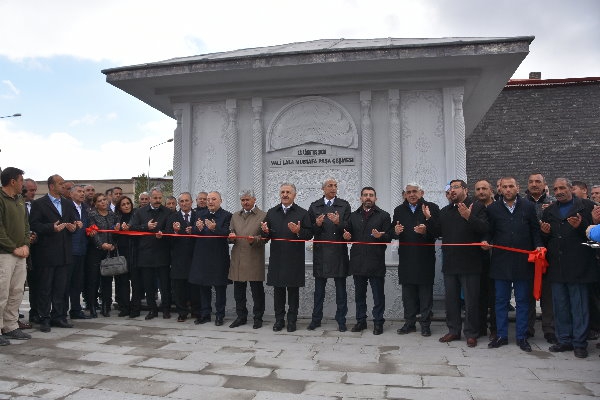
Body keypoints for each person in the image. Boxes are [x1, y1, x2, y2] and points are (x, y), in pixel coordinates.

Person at [482, 177, 543, 352]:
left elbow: (535, 230)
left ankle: (522, 337)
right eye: (505, 187)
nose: (508, 189)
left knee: (523, 301)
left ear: (517, 188)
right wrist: (485, 241)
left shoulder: (528, 207)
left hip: (523, 262)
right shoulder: (493, 209)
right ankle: (501, 335)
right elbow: (489, 231)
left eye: (511, 186)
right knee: (501, 301)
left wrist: (539, 245)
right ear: (500, 189)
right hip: (501, 262)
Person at [541, 178, 598, 358]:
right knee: (560, 306)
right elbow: (545, 240)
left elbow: (594, 235)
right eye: (556, 189)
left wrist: (581, 226)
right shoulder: (549, 211)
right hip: (557, 266)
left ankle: (579, 343)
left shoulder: (587, 207)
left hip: (579, 266)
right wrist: (544, 233)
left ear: (571, 188)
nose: (559, 192)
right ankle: (564, 340)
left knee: (579, 306)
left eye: (562, 188)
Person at [429, 179, 488, 347]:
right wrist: (428, 220)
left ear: (465, 190)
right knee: (451, 301)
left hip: (471, 263)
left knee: (471, 301)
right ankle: (454, 330)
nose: (452, 190)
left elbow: (485, 229)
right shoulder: (445, 211)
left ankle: (471, 333)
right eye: (450, 188)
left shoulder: (477, 207)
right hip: (450, 262)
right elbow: (437, 231)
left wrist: (469, 217)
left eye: (456, 187)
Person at [29, 174, 79, 332]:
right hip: (46, 254)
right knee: (45, 287)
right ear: (51, 186)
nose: (63, 185)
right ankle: (44, 317)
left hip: (64, 253)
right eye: (60, 183)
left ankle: (59, 316)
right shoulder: (39, 204)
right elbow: (34, 225)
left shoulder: (67, 203)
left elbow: (73, 222)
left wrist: (74, 227)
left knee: (60, 288)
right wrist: (51, 227)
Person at [261, 183, 312, 332]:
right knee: (278, 292)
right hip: (277, 259)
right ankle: (279, 320)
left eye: (288, 192)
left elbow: (309, 234)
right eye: (282, 192)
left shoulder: (302, 213)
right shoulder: (272, 212)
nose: (285, 194)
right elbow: (265, 236)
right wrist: (265, 231)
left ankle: (292, 321)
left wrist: (298, 231)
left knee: (293, 292)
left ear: (294, 195)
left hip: (294, 259)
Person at [392, 183, 440, 337]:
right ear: (405, 194)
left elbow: (439, 231)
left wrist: (427, 228)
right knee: (408, 295)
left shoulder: (431, 207)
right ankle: (409, 323)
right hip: (406, 258)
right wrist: (395, 231)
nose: (412, 194)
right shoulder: (399, 210)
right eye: (408, 192)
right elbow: (392, 231)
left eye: (414, 191)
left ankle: (425, 325)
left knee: (425, 294)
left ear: (421, 193)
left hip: (425, 258)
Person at [343, 187, 391, 335]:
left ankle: (378, 322)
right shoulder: (353, 216)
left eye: (371, 195)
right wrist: (346, 237)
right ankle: (361, 321)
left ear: (376, 198)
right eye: (365, 195)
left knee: (378, 296)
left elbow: (389, 237)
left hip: (376, 261)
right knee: (359, 296)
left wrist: (380, 236)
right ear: (361, 198)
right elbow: (348, 234)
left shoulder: (384, 215)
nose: (368, 197)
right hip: (358, 262)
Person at [307, 178, 351, 332]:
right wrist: (317, 225)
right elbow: (309, 231)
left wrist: (339, 223)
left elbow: (349, 227)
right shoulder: (314, 206)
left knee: (341, 291)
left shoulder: (344, 205)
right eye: (330, 186)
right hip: (321, 254)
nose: (333, 188)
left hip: (339, 253)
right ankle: (316, 319)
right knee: (319, 291)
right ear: (323, 189)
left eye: (335, 186)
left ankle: (341, 321)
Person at [189, 191, 232, 326]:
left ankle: (220, 315)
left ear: (220, 201)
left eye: (213, 199)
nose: (210, 202)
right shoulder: (200, 214)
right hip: (202, 257)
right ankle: (205, 314)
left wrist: (214, 228)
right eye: (208, 199)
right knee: (203, 287)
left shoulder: (227, 215)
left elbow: (227, 233)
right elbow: (193, 232)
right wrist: (198, 229)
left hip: (219, 257)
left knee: (220, 288)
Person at [129, 188, 172, 320]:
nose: (158, 200)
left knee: (165, 284)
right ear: (150, 198)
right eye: (155, 198)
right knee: (148, 284)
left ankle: (166, 309)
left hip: (163, 253)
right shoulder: (140, 212)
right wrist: (145, 227)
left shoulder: (168, 212)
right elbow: (132, 227)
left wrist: (163, 234)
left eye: (160, 198)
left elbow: (171, 230)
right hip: (145, 253)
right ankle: (152, 309)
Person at [0, 167, 32, 344]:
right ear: (12, 181)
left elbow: (26, 225)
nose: (23, 184)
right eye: (21, 181)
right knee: (1, 292)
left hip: (21, 253)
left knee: (17, 291)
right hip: (4, 254)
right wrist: (14, 248)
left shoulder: (20, 199)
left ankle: (10, 326)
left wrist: (26, 244)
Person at [228, 190, 267, 329]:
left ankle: (258, 318)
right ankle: (241, 317)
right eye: (243, 200)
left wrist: (255, 239)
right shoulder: (235, 216)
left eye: (247, 200)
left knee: (257, 291)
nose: (245, 202)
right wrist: (231, 238)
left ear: (254, 200)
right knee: (239, 292)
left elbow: (266, 237)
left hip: (254, 258)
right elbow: (230, 233)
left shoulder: (263, 215)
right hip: (238, 258)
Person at [525, 173, 557, 344]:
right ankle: (527, 328)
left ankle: (549, 329)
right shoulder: (522, 203)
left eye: (538, 181)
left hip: (548, 255)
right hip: (527, 254)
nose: (534, 184)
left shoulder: (553, 203)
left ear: (544, 184)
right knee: (527, 294)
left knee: (547, 295)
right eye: (531, 182)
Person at [86, 193, 118, 318]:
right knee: (93, 280)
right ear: (95, 204)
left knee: (107, 280)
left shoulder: (112, 215)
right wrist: (101, 244)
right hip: (95, 252)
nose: (103, 202)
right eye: (99, 201)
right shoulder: (92, 215)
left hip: (109, 251)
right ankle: (92, 307)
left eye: (104, 199)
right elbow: (92, 232)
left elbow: (116, 231)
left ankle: (106, 306)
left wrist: (113, 245)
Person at [165, 192, 196, 322]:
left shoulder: (198, 216)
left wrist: (195, 230)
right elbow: (167, 238)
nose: (184, 203)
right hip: (178, 258)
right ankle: (182, 312)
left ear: (192, 202)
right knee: (179, 287)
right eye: (181, 201)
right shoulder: (173, 217)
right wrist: (175, 232)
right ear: (178, 203)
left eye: (186, 201)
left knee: (194, 286)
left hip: (195, 257)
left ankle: (195, 311)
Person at [473, 180, 497, 340]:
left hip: (497, 257)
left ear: (491, 190)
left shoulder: (498, 207)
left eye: (484, 189)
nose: (481, 192)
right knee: (479, 295)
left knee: (495, 296)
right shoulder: (472, 208)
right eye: (478, 189)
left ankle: (495, 328)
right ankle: (480, 327)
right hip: (478, 258)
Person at [67, 185, 90, 320]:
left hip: (82, 250)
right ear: (71, 194)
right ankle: (61, 312)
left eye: (83, 191)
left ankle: (76, 309)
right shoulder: (66, 207)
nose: (82, 194)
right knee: (66, 283)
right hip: (69, 250)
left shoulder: (86, 208)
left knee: (77, 282)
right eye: (79, 191)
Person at [114, 196, 135, 317]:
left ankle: (135, 306)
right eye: (123, 204)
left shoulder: (136, 215)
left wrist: (131, 227)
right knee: (123, 282)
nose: (126, 206)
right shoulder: (117, 218)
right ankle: (124, 307)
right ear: (119, 207)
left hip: (134, 252)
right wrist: (116, 231)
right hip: (121, 253)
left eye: (128, 203)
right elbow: (113, 237)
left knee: (135, 282)